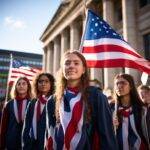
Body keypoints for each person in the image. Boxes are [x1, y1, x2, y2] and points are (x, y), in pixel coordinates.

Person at [45, 50, 118, 150]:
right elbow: (49, 134)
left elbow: (106, 134)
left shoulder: (96, 96)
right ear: (62, 69)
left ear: (83, 69)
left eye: (76, 63)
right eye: (67, 63)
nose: (71, 66)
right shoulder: (52, 101)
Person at [113, 73, 147, 150]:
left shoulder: (142, 109)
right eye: (117, 83)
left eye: (123, 83)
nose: (119, 86)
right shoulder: (110, 109)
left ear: (131, 86)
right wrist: (111, 125)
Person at [22, 73, 55, 150]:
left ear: (51, 84)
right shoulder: (33, 102)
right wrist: (25, 143)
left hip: (48, 143)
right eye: (40, 81)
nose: (43, 84)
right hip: (31, 143)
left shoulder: (55, 101)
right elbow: (26, 125)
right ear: (36, 84)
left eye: (46, 81)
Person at [0, 76, 32, 150]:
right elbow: (3, 127)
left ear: (28, 87)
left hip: (27, 142)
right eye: (19, 84)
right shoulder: (9, 104)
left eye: (24, 84)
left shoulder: (33, 103)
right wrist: (2, 145)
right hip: (11, 141)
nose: (21, 86)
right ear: (16, 87)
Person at [138, 85, 150, 149]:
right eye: (140, 94)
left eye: (145, 93)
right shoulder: (141, 110)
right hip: (146, 143)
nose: (142, 95)